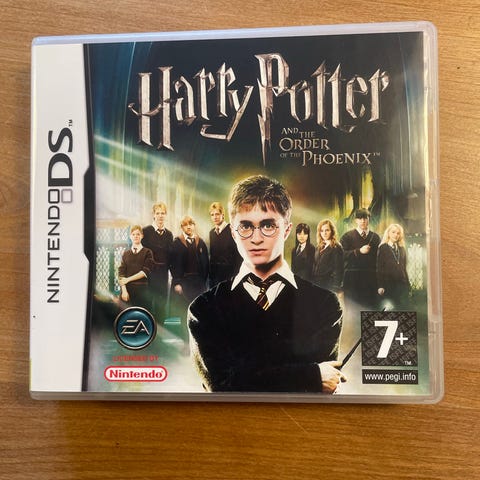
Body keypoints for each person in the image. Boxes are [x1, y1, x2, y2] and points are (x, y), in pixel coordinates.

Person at [188, 175, 345, 394]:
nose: (256, 238)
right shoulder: (203, 309)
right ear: (233, 232)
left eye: (268, 225)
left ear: (287, 230)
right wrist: (310, 376)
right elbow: (221, 385)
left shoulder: (325, 305)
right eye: (245, 226)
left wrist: (245, 373)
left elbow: (317, 394)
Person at [170, 216, 209, 350]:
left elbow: (206, 263)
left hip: (198, 284)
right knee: (184, 313)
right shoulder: (176, 243)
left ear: (194, 226)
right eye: (186, 225)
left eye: (191, 224)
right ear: (182, 227)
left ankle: (197, 345)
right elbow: (173, 264)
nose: (189, 227)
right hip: (183, 283)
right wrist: (177, 282)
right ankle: (186, 343)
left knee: (198, 313)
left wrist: (203, 282)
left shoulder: (201, 242)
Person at [340, 208, 380, 312]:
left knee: (370, 311)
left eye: (365, 218)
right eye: (360, 218)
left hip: (370, 282)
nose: (363, 221)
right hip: (352, 282)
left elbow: (379, 260)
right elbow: (340, 255)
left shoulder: (375, 237)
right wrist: (358, 251)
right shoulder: (347, 237)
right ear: (356, 220)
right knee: (353, 313)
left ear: (369, 219)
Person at [141, 202, 174, 324]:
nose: (160, 216)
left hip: (163, 274)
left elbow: (170, 256)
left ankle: (161, 330)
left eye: (163, 213)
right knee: (148, 303)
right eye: (158, 213)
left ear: (166, 215)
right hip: (149, 274)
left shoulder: (169, 234)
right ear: (153, 215)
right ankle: (148, 329)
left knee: (161, 303)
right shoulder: (146, 231)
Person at [118, 225, 154, 310]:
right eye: (133, 234)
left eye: (138, 234)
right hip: (127, 292)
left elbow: (144, 272)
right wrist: (124, 291)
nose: (135, 236)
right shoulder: (125, 254)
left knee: (141, 316)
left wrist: (128, 279)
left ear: (142, 236)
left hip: (142, 292)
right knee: (126, 316)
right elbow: (121, 273)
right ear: (130, 236)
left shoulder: (148, 252)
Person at [208, 201, 242, 287]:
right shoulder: (212, 233)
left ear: (222, 215)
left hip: (230, 276)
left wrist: (235, 277)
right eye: (212, 215)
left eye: (217, 214)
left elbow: (238, 255)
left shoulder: (232, 230)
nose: (215, 217)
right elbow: (212, 256)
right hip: (216, 278)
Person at [377, 223, 410, 309]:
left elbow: (404, 268)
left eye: (398, 233)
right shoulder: (383, 248)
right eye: (393, 232)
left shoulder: (402, 249)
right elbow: (379, 268)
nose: (396, 235)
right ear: (388, 233)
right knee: (390, 309)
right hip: (388, 285)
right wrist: (380, 285)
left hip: (401, 284)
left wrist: (408, 286)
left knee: (402, 309)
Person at [312, 219, 344, 293]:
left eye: (327, 230)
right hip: (316, 285)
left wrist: (335, 288)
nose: (324, 233)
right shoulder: (318, 247)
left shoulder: (337, 247)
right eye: (322, 231)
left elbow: (338, 270)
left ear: (332, 231)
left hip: (329, 286)